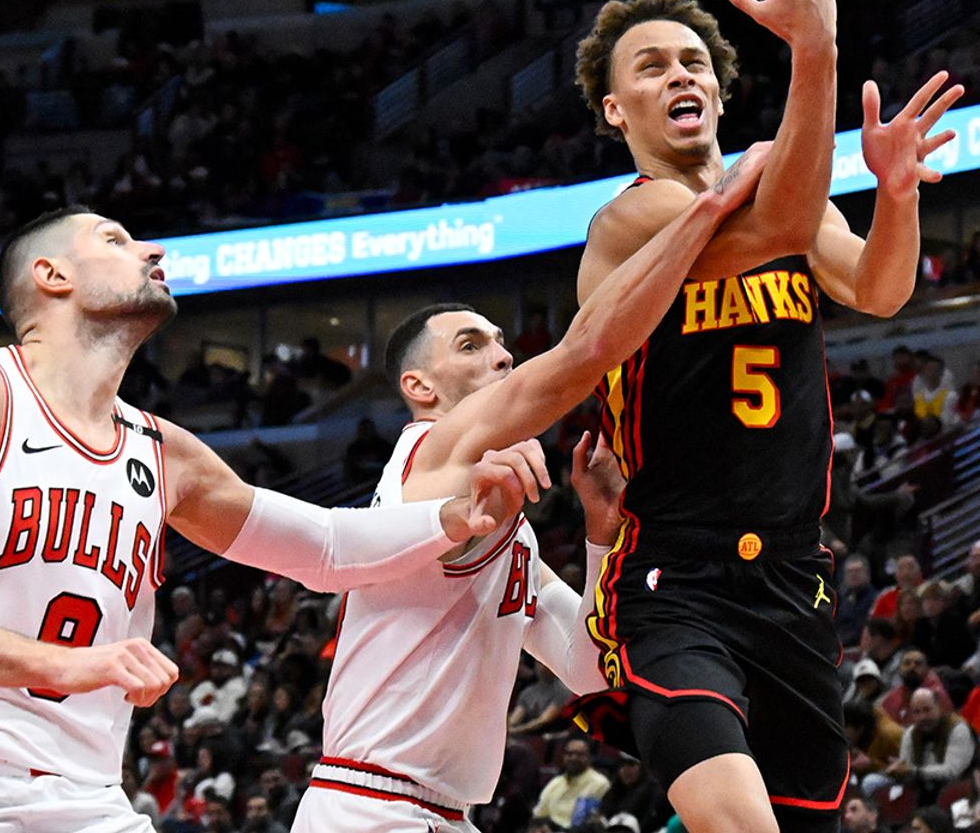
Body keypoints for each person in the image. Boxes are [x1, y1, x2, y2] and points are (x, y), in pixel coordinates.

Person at [0, 208, 547, 831]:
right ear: (51, 276)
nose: (151, 250)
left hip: (82, 797)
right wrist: (60, 663)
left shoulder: (160, 450)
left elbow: (327, 548)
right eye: (115, 240)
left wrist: (455, 516)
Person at [570, 0, 961, 830]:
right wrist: (816, 50)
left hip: (794, 577)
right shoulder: (629, 220)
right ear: (615, 109)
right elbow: (779, 223)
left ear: (718, 86)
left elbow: (878, 287)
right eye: (650, 66)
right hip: (676, 576)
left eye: (693, 61)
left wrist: (897, 195)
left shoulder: (780, 189)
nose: (680, 73)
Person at [297, 144, 773, 830]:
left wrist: (600, 538)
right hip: (369, 806)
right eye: (470, 346)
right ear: (418, 387)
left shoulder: (502, 524)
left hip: (440, 813)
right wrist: (707, 211)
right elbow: (584, 354)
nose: (502, 355)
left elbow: (587, 669)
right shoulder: (430, 450)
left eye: (499, 341)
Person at [532, 738, 611, 829]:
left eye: (579, 754)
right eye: (569, 754)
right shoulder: (556, 782)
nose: (573, 758)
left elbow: (593, 823)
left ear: (589, 757)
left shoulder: (600, 784)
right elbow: (538, 814)